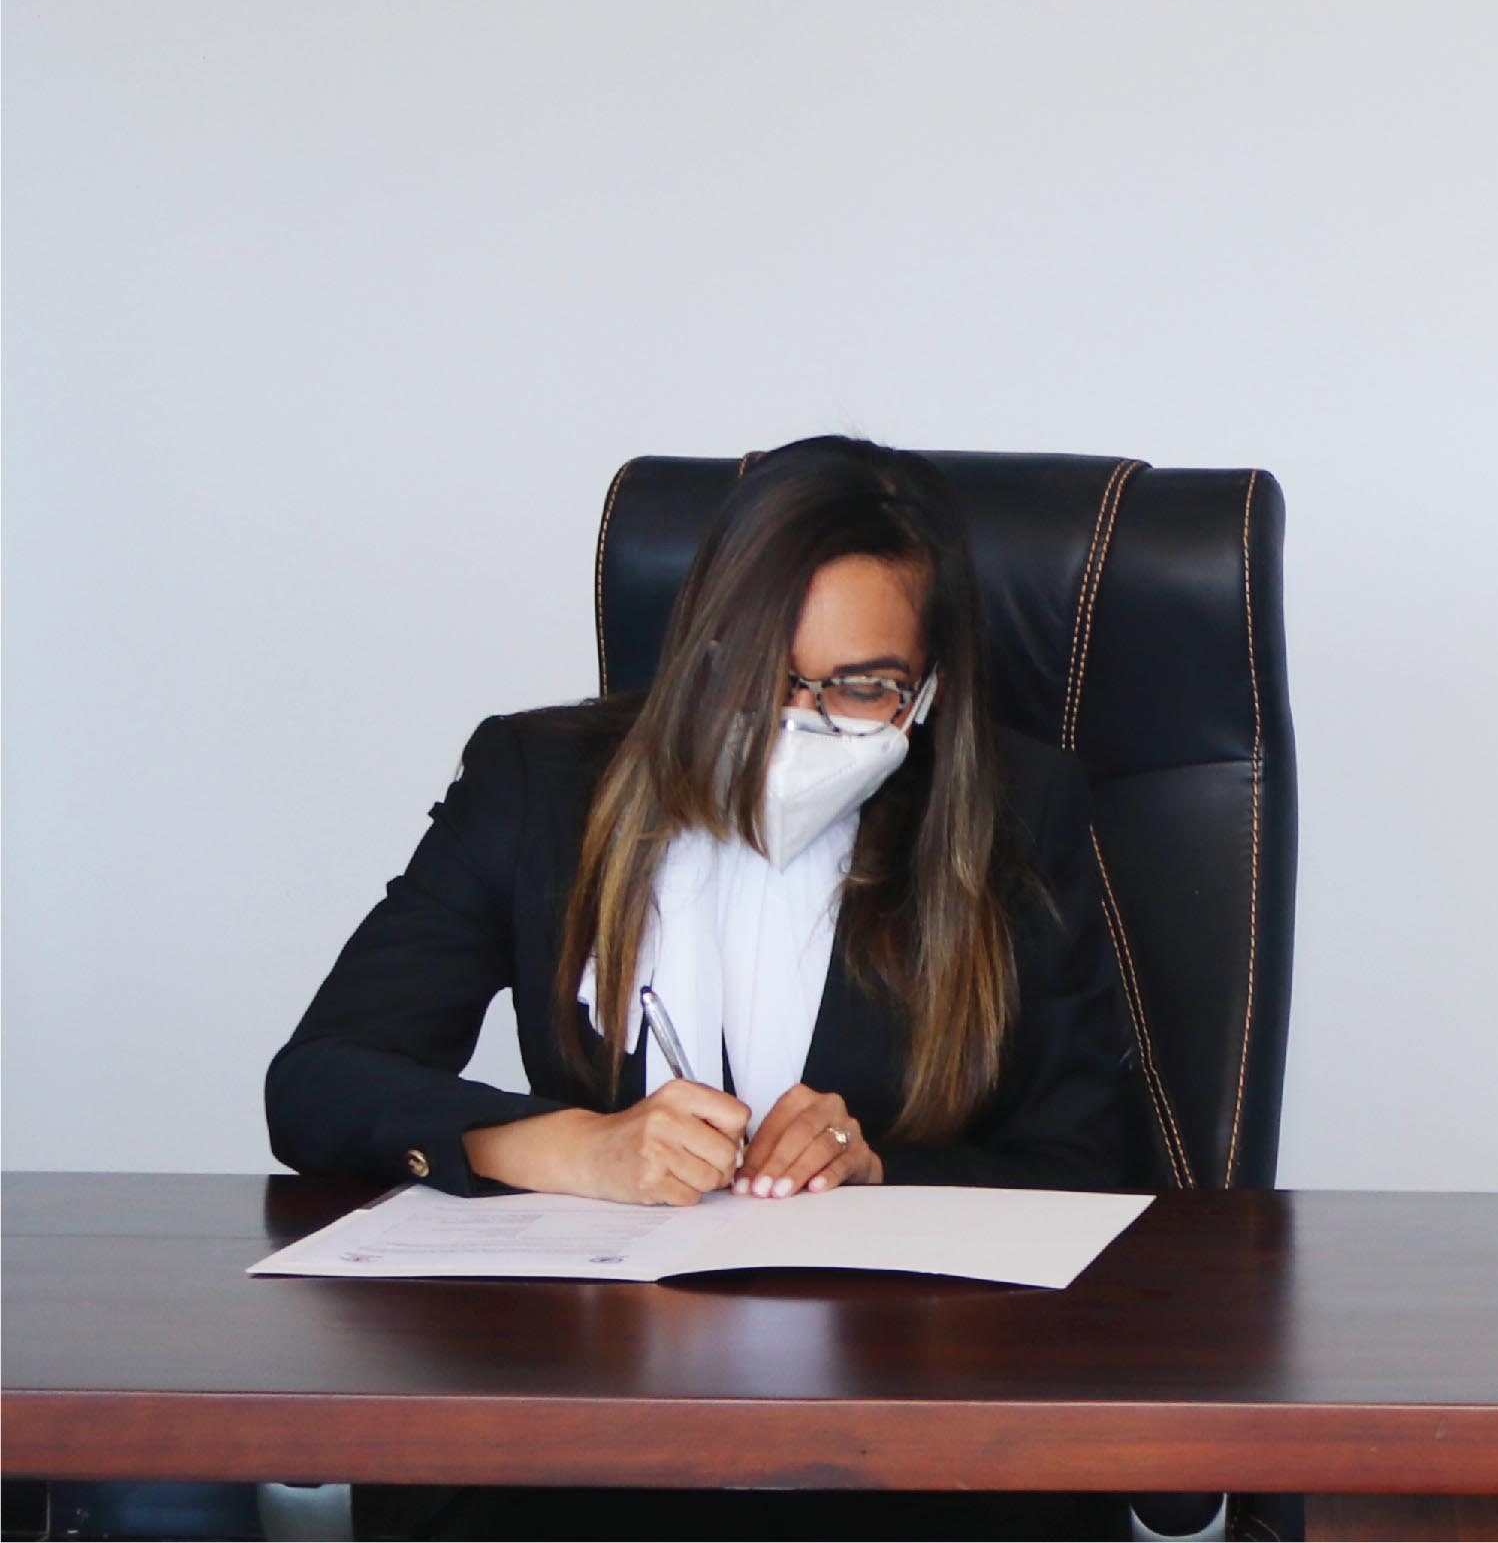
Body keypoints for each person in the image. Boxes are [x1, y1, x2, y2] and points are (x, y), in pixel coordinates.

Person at [270, 436, 1134, 1205]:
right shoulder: (537, 783)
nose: (797, 718)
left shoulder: (1016, 808)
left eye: (864, 686)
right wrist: (574, 1149)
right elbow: (318, 1085)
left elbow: (1088, 1166)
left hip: (884, 1350)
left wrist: (877, 1169)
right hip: (610, 1345)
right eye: (762, 673)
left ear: (930, 692)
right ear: (701, 647)